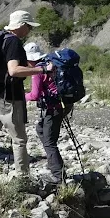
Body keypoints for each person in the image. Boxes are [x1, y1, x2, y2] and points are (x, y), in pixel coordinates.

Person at [0, 10, 49, 192]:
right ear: (21, 25)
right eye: (28, 26)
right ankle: (23, 179)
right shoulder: (13, 41)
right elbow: (13, 71)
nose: (29, 30)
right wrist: (42, 70)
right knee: (19, 139)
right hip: (9, 98)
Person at [24, 42, 70, 185]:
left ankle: (58, 175)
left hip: (53, 107)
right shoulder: (51, 63)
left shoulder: (38, 70)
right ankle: (54, 164)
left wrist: (20, 96)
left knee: (50, 141)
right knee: (41, 130)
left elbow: (34, 95)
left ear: (29, 59)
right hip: (63, 105)